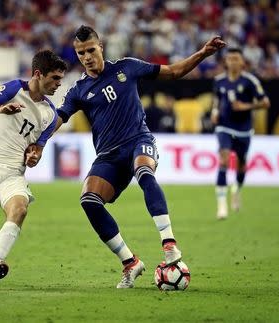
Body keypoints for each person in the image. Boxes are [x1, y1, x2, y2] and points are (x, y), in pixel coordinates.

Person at [37, 26, 224, 288]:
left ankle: (169, 244)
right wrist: (40, 142)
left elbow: (173, 72)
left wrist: (203, 53)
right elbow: (59, 117)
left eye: (91, 50)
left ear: (101, 46)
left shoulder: (128, 67)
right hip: (109, 156)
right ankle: (130, 263)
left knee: (145, 172)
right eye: (81, 53)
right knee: (89, 200)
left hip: (139, 141)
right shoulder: (79, 89)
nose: (87, 57)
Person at [0, 49, 67, 286]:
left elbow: (37, 149)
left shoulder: (50, 115)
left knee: (20, 209)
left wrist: (34, 157)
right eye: (54, 78)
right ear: (38, 74)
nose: (58, 85)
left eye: (60, 80)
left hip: (13, 171)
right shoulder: (14, 89)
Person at [211, 48, 270, 220]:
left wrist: (247, 106)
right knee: (224, 158)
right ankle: (221, 206)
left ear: (242, 62)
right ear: (226, 62)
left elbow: (266, 102)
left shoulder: (250, 81)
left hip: (243, 128)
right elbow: (217, 99)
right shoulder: (219, 81)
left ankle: (236, 188)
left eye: (236, 59)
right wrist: (214, 111)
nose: (233, 62)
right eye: (230, 59)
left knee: (241, 164)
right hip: (224, 126)